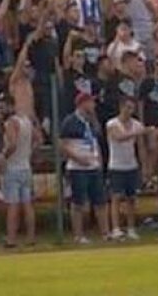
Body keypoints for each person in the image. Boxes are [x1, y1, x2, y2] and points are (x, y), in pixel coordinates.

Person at [59, 92, 109, 243]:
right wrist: (77, 157)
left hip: (93, 165)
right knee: (78, 202)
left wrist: (99, 161)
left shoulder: (91, 122)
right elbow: (62, 144)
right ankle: (78, 235)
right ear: (83, 103)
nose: (93, 106)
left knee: (100, 201)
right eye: (91, 102)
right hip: (77, 167)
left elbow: (95, 141)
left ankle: (105, 233)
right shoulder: (70, 121)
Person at [0, 100, 38, 248]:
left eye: (3, 107)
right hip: (25, 166)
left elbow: (12, 144)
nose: (0, 110)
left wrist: (3, 155)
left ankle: (11, 238)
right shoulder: (26, 121)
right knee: (27, 203)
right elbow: (38, 139)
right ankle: (31, 236)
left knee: (13, 204)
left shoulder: (11, 123)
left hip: (13, 167)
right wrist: (29, 152)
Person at [106, 96, 147, 240]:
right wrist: (138, 132)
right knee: (116, 197)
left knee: (131, 198)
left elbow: (140, 146)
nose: (129, 111)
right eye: (127, 107)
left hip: (131, 165)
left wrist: (144, 165)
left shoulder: (136, 124)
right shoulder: (112, 124)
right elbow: (118, 137)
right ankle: (116, 228)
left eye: (132, 108)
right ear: (121, 107)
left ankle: (131, 228)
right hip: (116, 165)